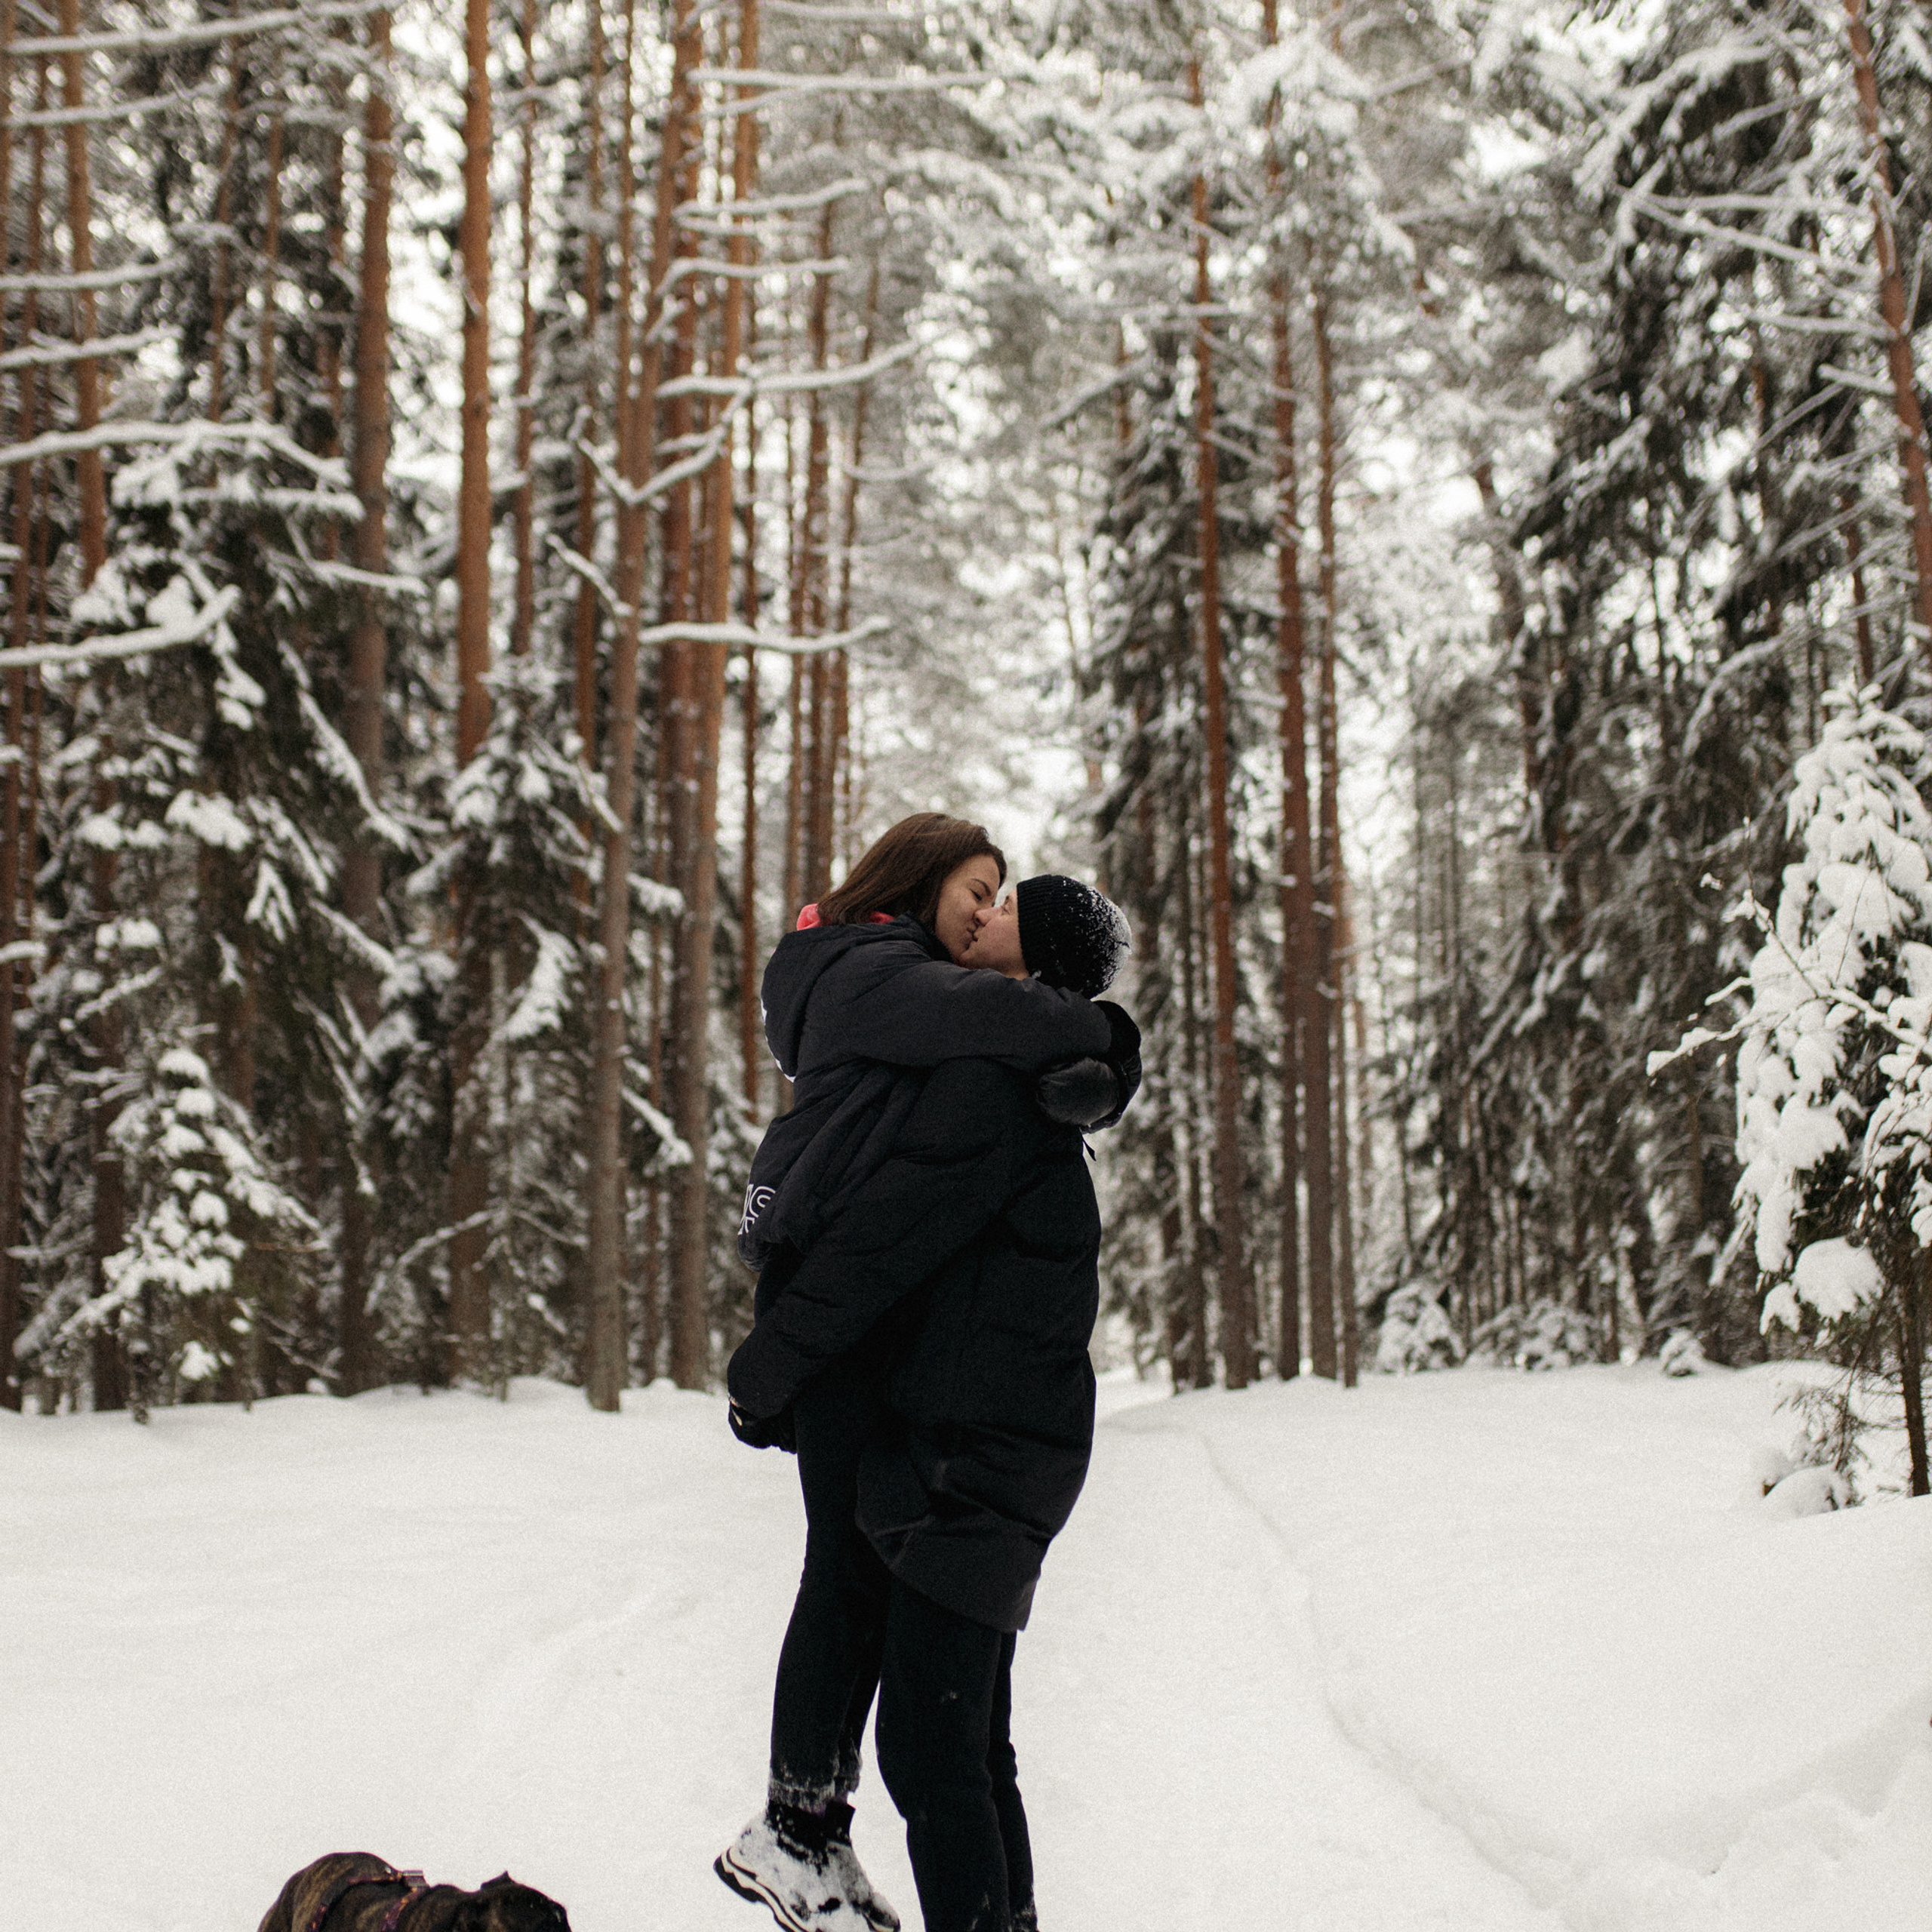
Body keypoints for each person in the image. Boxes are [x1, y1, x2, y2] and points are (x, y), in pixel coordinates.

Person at [715, 819, 1137, 1932]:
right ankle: (800, 1826)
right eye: (979, 888)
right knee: (876, 1623)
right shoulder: (878, 973)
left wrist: (775, 1361)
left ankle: (802, 1827)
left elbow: (904, 1233)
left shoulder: (992, 1077)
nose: (985, 910)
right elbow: (886, 1230)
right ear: (919, 880)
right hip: (886, 1365)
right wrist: (1105, 1034)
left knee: (934, 1726)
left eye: (1004, 901)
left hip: (954, 1428)